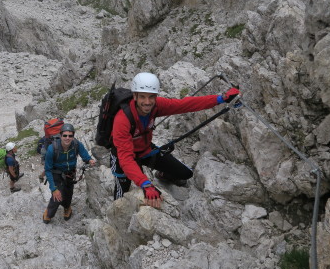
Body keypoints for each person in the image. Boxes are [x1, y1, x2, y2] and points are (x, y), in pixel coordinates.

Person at [111, 72, 240, 209]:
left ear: (156, 96)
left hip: (145, 150)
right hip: (122, 156)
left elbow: (185, 105)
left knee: (185, 173)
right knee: (121, 195)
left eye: (151, 97)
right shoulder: (122, 119)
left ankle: (162, 175)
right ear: (135, 96)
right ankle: (115, 215)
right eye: (142, 97)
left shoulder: (156, 106)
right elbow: (125, 158)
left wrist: (221, 98)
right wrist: (146, 184)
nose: (147, 102)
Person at [42, 124, 96, 223]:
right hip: (56, 173)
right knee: (57, 196)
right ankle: (49, 213)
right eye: (65, 135)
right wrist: (53, 189)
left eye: (70, 136)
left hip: (70, 173)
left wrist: (89, 160)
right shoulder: (52, 149)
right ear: (60, 135)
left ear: (73, 136)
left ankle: (67, 207)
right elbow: (48, 170)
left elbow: (84, 154)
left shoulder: (76, 144)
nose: (67, 138)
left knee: (68, 192)